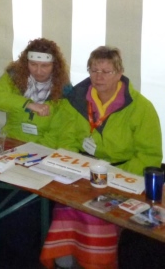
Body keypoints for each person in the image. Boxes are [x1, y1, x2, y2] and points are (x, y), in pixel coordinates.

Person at [40, 46, 162, 269]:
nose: (99, 77)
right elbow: (66, 140)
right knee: (67, 204)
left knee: (99, 213)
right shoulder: (76, 100)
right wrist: (76, 167)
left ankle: (98, 261)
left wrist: (117, 177)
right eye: (94, 70)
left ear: (119, 73)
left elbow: (149, 154)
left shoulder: (141, 107)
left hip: (124, 174)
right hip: (85, 170)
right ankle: (66, 258)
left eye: (106, 71)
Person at [0, 38, 70, 267]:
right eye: (33, 64)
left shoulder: (64, 90)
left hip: (40, 153)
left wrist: (31, 154)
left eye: (44, 66)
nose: (38, 71)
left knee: (19, 204)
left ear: (54, 66)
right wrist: (26, 104)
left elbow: (58, 134)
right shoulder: (16, 76)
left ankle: (9, 252)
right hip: (11, 146)